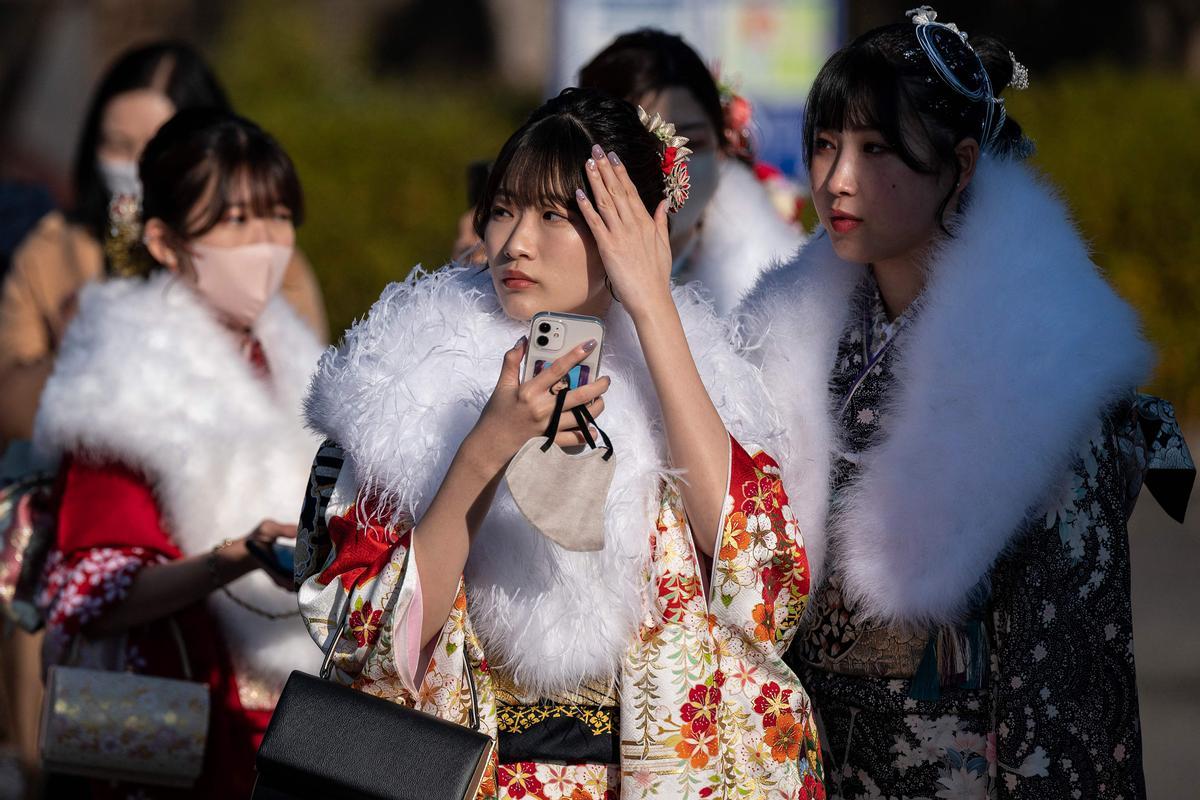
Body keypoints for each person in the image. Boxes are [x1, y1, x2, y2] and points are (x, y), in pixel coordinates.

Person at [298, 88, 825, 799]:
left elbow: (763, 585)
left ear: (631, 227)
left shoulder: (699, 380)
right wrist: (485, 447)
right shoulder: (405, 380)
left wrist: (653, 306)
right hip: (477, 776)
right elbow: (362, 637)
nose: (515, 241)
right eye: (504, 208)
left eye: (554, 214)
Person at [737, 7, 1194, 798]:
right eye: (824, 144)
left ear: (960, 163)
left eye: (875, 149)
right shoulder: (790, 334)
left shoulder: (1037, 369)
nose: (836, 179)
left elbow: (1063, 685)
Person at [33, 109, 325, 798]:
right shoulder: (125, 378)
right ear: (164, 241)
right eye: (235, 223)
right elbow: (93, 589)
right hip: (173, 724)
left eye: (278, 216)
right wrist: (232, 559)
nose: (265, 243)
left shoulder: (298, 360)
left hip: (285, 724)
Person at [0, 41, 328, 445]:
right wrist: (79, 352)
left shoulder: (267, 260)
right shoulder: (51, 252)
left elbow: (307, 411)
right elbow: (8, 410)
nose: (137, 165)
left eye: (158, 143)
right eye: (118, 145)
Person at [578, 28, 805, 314]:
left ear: (723, 146)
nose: (670, 167)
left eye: (693, 143)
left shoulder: (772, 293)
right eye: (644, 143)